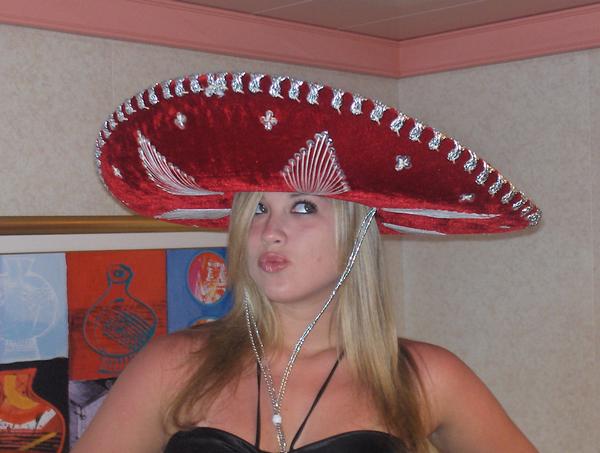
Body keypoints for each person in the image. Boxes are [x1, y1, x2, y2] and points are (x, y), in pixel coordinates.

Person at [75, 71, 541, 452]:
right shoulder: (171, 366)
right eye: (258, 209)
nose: (269, 231)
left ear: (358, 231)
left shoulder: (426, 377)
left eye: (302, 207)